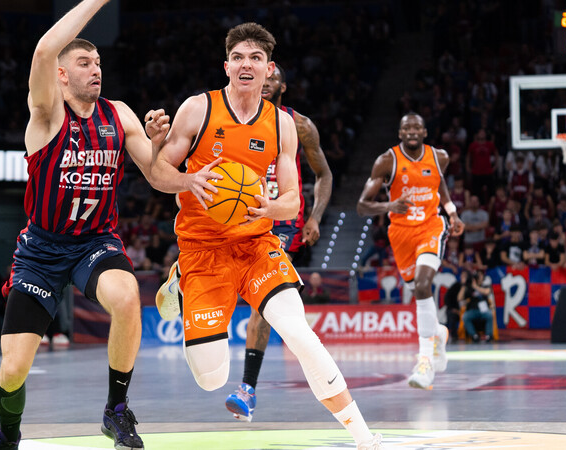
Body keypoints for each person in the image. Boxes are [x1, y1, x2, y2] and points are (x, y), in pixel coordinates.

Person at [147, 23, 383, 449]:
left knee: (299, 334)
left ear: (268, 69)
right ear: (226, 66)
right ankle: (181, 282)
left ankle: (364, 438)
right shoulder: (198, 109)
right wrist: (188, 181)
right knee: (210, 376)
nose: (246, 64)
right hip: (202, 250)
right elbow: (158, 174)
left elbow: (293, 200)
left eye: (255, 58)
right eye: (238, 57)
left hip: (256, 245)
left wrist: (268, 209)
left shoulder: (282, 126)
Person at [0, 1, 160, 448]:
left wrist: (163, 143)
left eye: (98, 62)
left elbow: (158, 175)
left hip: (94, 242)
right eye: (83, 62)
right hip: (41, 250)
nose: (95, 69)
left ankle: (117, 410)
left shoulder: (119, 115)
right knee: (13, 369)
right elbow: (42, 51)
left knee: (128, 297)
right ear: (61, 74)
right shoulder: (47, 113)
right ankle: (8, 435)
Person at [154, 62, 334, 422]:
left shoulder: (297, 125)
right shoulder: (220, 113)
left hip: (274, 217)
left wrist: (314, 217)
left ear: (279, 83)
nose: (263, 82)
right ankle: (186, 276)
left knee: (265, 308)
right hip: (225, 214)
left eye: (273, 77)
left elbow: (323, 173)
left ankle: (247, 389)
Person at [357, 112, 465, 390]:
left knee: (422, 283)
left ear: (425, 132)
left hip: (430, 226)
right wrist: (388, 207)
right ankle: (438, 333)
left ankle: (424, 361)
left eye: (417, 127)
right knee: (414, 286)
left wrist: (452, 214)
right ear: (400, 133)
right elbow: (362, 205)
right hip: (401, 233)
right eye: (407, 127)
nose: (413, 131)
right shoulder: (386, 161)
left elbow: (439, 183)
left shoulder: (439, 156)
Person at [458, 271, 494, 343]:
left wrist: (476, 287)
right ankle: (474, 335)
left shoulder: (485, 285)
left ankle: (488, 336)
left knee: (489, 315)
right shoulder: (469, 287)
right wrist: (464, 285)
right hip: (472, 310)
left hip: (484, 311)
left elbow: (487, 292)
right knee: (465, 317)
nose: (479, 277)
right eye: (478, 276)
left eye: (480, 276)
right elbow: (459, 298)